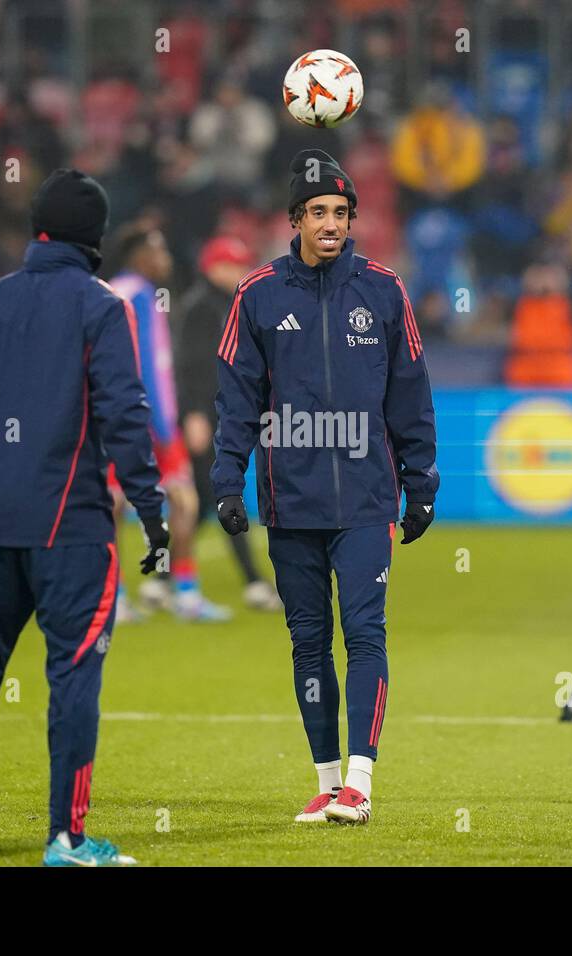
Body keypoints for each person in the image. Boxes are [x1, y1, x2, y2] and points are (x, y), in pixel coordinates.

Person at [0, 169, 168, 866]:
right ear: (95, 237)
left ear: (37, 227)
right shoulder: (102, 306)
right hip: (76, 528)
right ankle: (66, 836)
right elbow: (124, 413)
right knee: (73, 677)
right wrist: (152, 510)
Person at [212, 149, 439, 825]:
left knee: (365, 634)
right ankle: (326, 781)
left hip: (367, 501)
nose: (332, 224)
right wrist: (229, 481)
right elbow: (237, 400)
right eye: (319, 213)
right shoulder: (257, 296)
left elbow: (410, 395)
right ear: (295, 220)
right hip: (291, 502)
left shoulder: (385, 291)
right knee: (307, 643)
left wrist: (420, 483)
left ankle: (361, 783)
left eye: (342, 213)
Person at [107, 223, 231, 622]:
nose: (167, 259)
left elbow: (158, 363)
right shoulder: (127, 294)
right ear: (140, 257)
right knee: (113, 504)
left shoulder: (147, 295)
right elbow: (136, 363)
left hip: (154, 419)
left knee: (185, 501)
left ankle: (185, 592)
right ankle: (116, 597)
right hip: (133, 420)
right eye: (159, 251)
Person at [176, 235, 282, 611]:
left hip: (222, 413)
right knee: (223, 495)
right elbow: (188, 366)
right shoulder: (200, 308)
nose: (241, 271)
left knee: (204, 502)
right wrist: (193, 415)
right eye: (234, 265)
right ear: (213, 267)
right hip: (205, 416)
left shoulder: (229, 305)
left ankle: (161, 577)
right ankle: (254, 582)